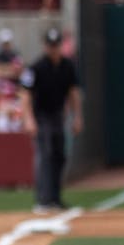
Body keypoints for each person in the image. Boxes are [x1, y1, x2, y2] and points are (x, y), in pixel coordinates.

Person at [20, 27, 82, 213]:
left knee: (59, 156)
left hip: (58, 116)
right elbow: (25, 95)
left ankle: (55, 198)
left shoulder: (67, 66)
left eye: (56, 45)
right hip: (41, 116)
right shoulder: (36, 67)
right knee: (44, 155)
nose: (53, 49)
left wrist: (77, 116)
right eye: (50, 45)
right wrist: (29, 119)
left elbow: (73, 93)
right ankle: (43, 200)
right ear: (45, 46)